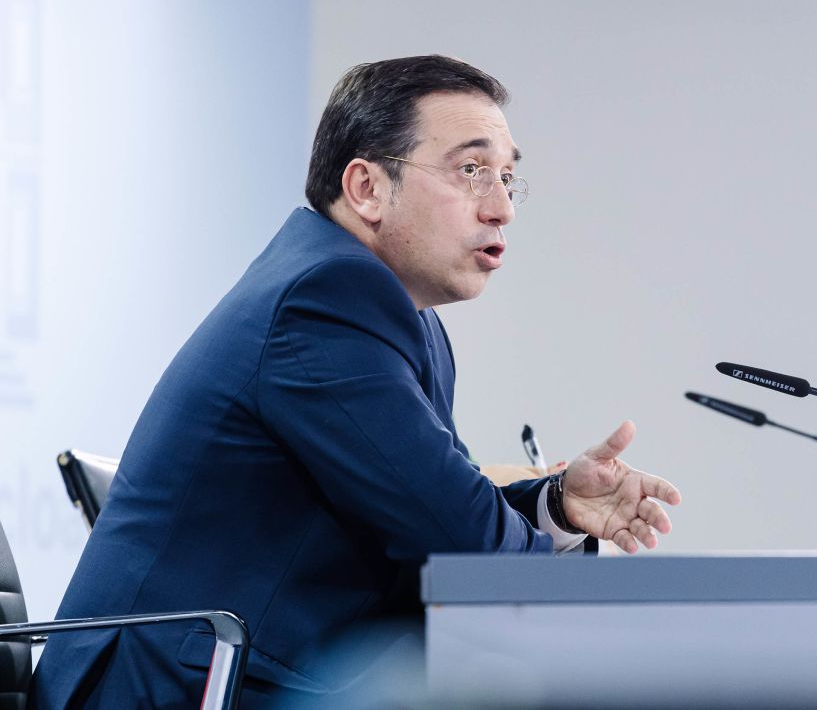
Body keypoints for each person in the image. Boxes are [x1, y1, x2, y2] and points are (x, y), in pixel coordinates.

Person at [31, 56, 681, 708]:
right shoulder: (326, 299)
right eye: (472, 170)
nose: (502, 207)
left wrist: (559, 506)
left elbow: (440, 514)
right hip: (171, 690)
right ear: (367, 187)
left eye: (510, 177)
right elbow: (462, 543)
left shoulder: (395, 312)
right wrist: (552, 584)